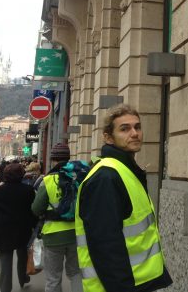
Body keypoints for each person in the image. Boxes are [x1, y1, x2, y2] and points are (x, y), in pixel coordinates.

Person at [75, 104, 173, 292]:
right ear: (108, 137)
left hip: (139, 282)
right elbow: (105, 247)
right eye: (125, 129)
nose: (134, 133)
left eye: (137, 127)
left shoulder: (125, 171)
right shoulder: (106, 177)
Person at [32, 144, 83, 292]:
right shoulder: (78, 177)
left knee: (53, 278)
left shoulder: (47, 180)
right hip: (76, 234)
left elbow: (36, 209)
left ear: (53, 159)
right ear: (68, 158)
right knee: (76, 273)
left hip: (53, 236)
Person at [0, 163, 37, 292]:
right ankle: (22, 278)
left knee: (5, 261)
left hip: (3, 230)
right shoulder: (28, 190)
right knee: (23, 255)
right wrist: (35, 227)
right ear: (22, 175)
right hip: (23, 229)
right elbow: (33, 211)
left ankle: (5, 289)